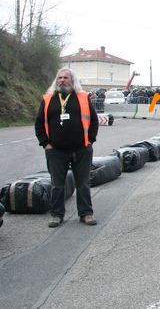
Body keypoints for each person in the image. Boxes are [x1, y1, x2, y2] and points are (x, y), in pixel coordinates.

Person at [35, 68, 99, 228]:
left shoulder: (83, 98)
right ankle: (56, 215)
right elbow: (39, 124)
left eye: (65, 78)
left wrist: (90, 140)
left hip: (81, 149)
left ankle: (86, 213)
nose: (62, 80)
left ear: (73, 80)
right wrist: (45, 143)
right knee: (57, 185)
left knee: (83, 183)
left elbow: (94, 121)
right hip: (56, 150)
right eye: (59, 77)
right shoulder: (48, 99)